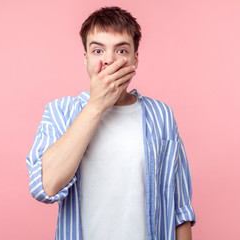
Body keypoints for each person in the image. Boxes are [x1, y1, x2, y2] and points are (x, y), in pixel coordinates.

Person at [26, 6, 196, 240]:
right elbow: (45, 186)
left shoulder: (162, 116)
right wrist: (96, 104)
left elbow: (180, 209)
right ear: (85, 58)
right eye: (97, 50)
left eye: (121, 50)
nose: (109, 60)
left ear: (135, 59)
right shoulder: (60, 112)